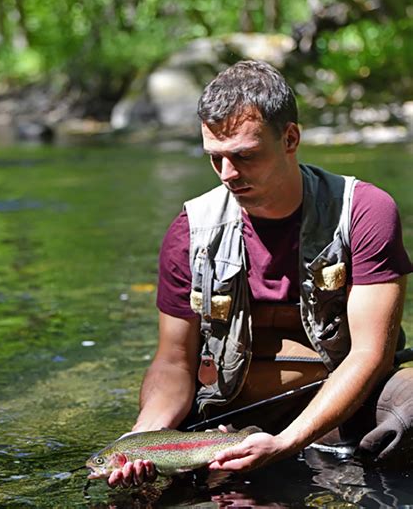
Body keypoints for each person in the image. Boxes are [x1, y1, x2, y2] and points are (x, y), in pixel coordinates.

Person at [108, 60, 412, 488]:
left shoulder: (364, 211)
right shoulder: (190, 232)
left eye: (244, 156)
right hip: (227, 419)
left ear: (290, 138)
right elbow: (174, 362)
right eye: (216, 159)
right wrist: (142, 438)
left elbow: (370, 355)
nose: (229, 175)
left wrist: (286, 443)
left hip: (346, 412)